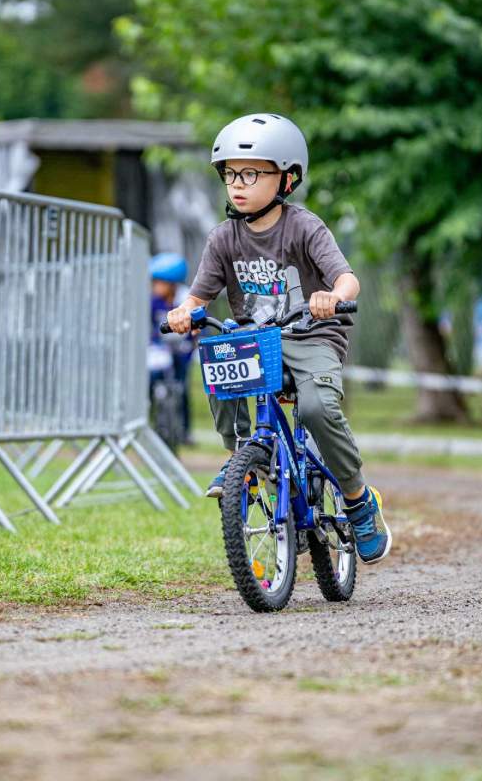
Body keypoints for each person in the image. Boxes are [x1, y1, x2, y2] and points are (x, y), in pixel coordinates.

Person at [165, 113, 391, 564]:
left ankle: (357, 498)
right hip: (257, 340)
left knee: (316, 407)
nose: (237, 183)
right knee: (219, 352)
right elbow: (198, 297)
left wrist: (330, 296)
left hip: (311, 337)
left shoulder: (304, 227)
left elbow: (348, 279)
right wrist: (183, 314)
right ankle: (241, 456)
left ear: (285, 178)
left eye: (251, 173)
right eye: (230, 173)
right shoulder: (223, 238)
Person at [149, 252, 195, 444]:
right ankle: (153, 421)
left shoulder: (186, 299)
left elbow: (197, 331)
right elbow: (149, 326)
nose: (155, 286)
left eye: (160, 282)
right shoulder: (153, 301)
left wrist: (189, 347)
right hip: (160, 350)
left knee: (182, 387)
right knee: (152, 381)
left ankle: (184, 430)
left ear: (173, 283)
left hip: (182, 350)